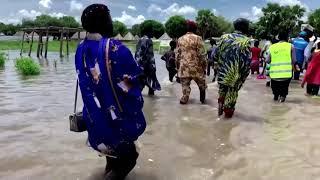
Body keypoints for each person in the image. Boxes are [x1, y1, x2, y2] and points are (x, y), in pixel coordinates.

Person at [76, 4, 146, 180]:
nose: (111, 22)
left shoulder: (80, 48)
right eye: (109, 18)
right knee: (129, 158)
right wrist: (139, 79)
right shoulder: (115, 48)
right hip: (116, 122)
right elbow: (128, 85)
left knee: (112, 156)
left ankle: (107, 171)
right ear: (104, 22)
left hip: (94, 118)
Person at [215, 18, 251, 118]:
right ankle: (226, 121)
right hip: (234, 74)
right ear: (245, 27)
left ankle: (220, 104)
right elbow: (245, 61)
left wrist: (219, 66)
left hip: (222, 72)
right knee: (231, 98)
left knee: (222, 91)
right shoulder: (246, 41)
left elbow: (215, 54)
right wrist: (244, 75)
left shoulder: (224, 37)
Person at [176, 20, 207, 104]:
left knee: (185, 86)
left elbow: (177, 56)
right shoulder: (198, 38)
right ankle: (202, 99)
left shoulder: (180, 39)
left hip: (184, 67)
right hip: (196, 67)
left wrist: (178, 67)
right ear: (195, 29)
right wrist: (204, 66)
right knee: (202, 84)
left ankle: (184, 98)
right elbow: (202, 54)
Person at [267, 31, 297, 103]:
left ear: (278, 38)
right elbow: (294, 60)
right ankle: (282, 98)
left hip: (274, 74)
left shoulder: (272, 47)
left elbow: (267, 60)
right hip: (286, 74)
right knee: (284, 89)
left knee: (275, 90)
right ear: (287, 38)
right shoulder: (291, 46)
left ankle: (276, 97)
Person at [135, 25, 161, 96]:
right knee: (150, 84)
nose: (153, 33)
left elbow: (136, 54)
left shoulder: (139, 40)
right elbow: (150, 56)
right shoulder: (149, 40)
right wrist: (153, 68)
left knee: (141, 82)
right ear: (148, 32)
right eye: (152, 32)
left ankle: (138, 100)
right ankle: (151, 101)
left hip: (138, 65)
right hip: (146, 65)